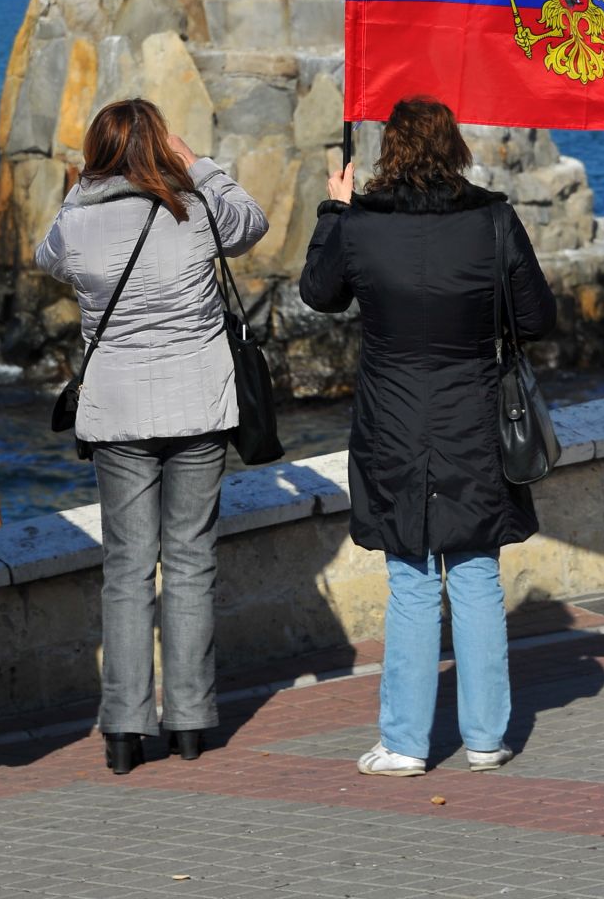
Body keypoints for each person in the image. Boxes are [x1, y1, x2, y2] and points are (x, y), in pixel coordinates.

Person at [299, 96, 556, 777]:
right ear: (455, 149)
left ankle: (407, 743)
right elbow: (536, 315)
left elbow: (319, 294)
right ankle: (485, 738)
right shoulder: (494, 219)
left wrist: (335, 208)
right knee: (474, 573)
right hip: (474, 417)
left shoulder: (360, 226)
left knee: (411, 578)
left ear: (391, 149)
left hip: (393, 422)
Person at [35, 98, 268, 775]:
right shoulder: (192, 210)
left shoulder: (78, 223)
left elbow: (46, 255)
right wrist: (198, 164)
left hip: (118, 417)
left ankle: (123, 729)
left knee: (127, 570)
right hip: (199, 408)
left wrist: (86, 181)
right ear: (161, 149)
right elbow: (250, 221)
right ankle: (192, 721)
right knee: (192, 564)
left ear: (98, 154)